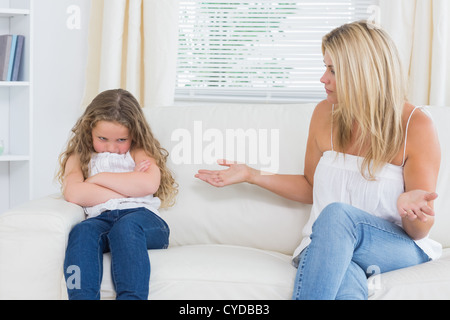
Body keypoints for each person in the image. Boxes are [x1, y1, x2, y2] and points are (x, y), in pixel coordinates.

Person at [195, 21, 442, 300]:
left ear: (362, 73)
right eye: (325, 67)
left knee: (337, 216)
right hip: (328, 246)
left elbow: (420, 230)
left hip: (393, 244)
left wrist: (412, 212)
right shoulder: (325, 114)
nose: (323, 79)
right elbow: (311, 186)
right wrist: (252, 175)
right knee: (346, 284)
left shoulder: (415, 125)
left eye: (333, 70)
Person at [57, 89, 178, 300]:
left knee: (126, 227)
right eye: (102, 138)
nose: (112, 148)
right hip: (101, 219)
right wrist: (128, 184)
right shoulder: (79, 156)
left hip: (143, 220)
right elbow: (74, 193)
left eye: (121, 140)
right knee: (81, 231)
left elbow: (148, 184)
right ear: (89, 131)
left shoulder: (139, 151)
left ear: (134, 134)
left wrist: (96, 179)